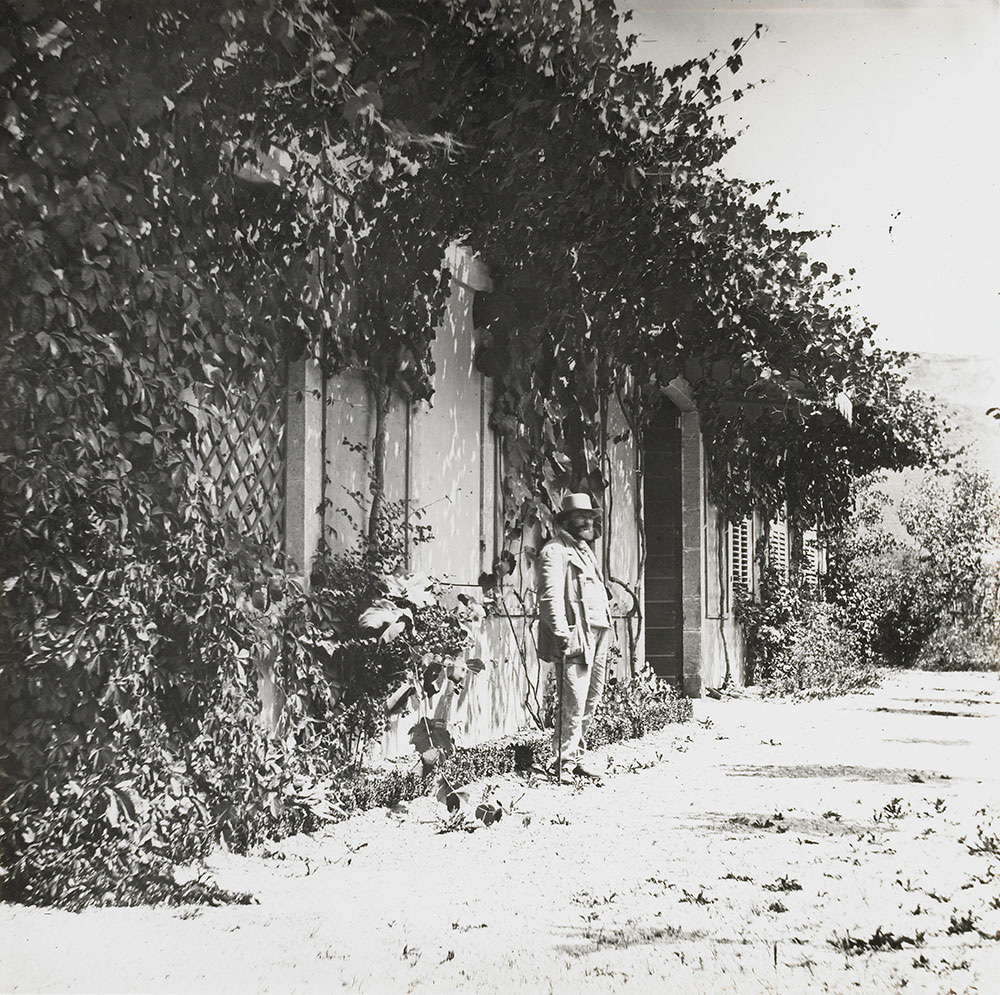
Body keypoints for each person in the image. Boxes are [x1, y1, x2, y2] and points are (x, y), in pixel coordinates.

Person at [536, 492, 612, 780]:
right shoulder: (555, 551)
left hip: (599, 629)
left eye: (590, 516)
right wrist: (559, 631)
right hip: (576, 633)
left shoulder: (584, 550)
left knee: (592, 697)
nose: (587, 521)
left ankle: (576, 757)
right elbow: (550, 596)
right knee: (574, 699)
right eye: (580, 516)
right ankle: (561, 762)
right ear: (566, 520)